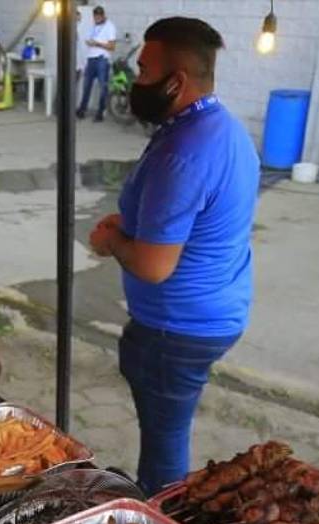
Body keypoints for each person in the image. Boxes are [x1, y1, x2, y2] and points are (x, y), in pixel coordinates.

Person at [88, 17, 259, 496]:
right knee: (165, 433)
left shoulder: (183, 154)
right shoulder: (220, 126)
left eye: (144, 70)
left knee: (163, 449)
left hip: (177, 328)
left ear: (176, 81)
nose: (136, 79)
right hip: (215, 309)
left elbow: (153, 265)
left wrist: (110, 242)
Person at [76, 6, 116, 122]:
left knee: (103, 87)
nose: (97, 18)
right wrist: (89, 42)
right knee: (86, 86)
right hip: (91, 58)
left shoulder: (110, 27)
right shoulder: (94, 26)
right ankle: (82, 110)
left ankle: (100, 113)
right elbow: (89, 39)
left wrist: (97, 44)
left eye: (99, 16)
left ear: (103, 15)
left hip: (102, 59)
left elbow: (112, 46)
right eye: (95, 17)